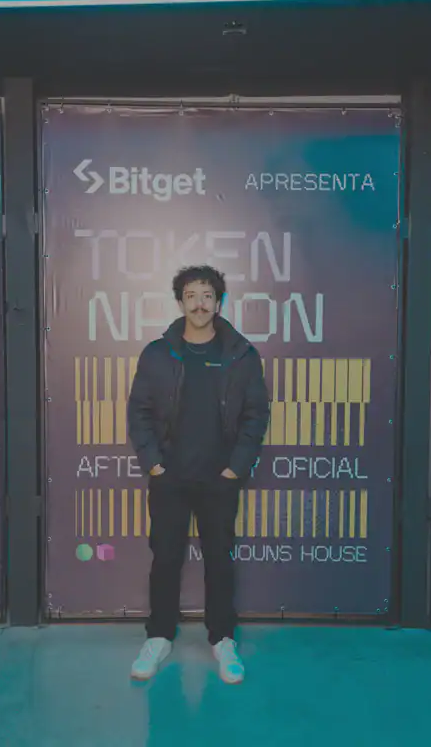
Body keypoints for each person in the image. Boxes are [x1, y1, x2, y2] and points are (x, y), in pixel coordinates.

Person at [127, 265, 270, 684]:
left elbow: (255, 415)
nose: (199, 303)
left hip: (219, 479)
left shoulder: (242, 355)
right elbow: (139, 413)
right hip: (169, 477)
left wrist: (235, 468)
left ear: (219, 302)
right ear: (180, 302)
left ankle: (222, 640)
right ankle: (158, 637)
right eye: (191, 295)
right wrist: (154, 463)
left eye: (207, 295)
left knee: (219, 561)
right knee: (165, 558)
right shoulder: (158, 353)